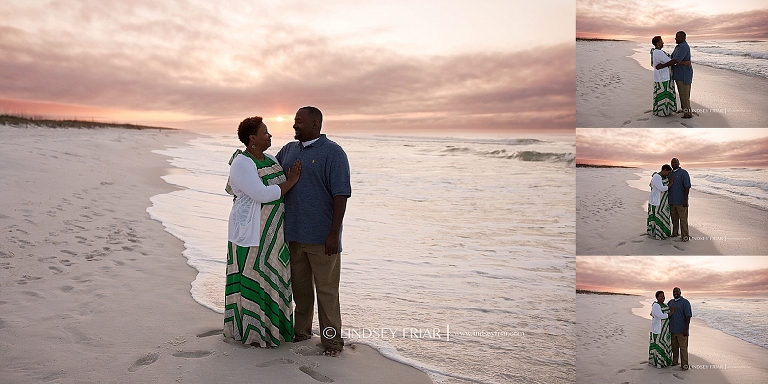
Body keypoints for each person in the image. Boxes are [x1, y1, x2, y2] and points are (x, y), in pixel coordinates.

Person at [276, 106, 351, 357]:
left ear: (315, 124)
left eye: (299, 121)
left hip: (322, 238)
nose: (294, 125)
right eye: (295, 121)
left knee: (327, 292)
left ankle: (332, 343)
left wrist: (334, 233)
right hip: (293, 234)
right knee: (301, 291)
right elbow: (269, 176)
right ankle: (302, 332)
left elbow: (341, 195)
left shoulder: (333, 153)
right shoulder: (288, 150)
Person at [223, 116, 302, 348]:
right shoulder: (242, 162)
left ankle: (274, 330)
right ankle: (253, 333)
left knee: (273, 278)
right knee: (253, 277)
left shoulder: (270, 159)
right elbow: (262, 194)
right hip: (251, 233)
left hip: (274, 233)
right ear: (252, 139)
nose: (270, 136)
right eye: (265, 132)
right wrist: (292, 181)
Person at [656, 31, 694, 119]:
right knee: (681, 93)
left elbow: (676, 60)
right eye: (675, 37)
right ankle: (684, 109)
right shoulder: (678, 47)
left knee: (684, 94)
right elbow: (672, 58)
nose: (675, 38)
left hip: (684, 74)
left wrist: (663, 66)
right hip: (679, 73)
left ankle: (688, 113)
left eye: (677, 37)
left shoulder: (684, 47)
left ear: (683, 38)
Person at [667, 287, 693, 370]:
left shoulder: (685, 302)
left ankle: (684, 365)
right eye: (674, 292)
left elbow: (688, 316)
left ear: (680, 292)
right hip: (672, 329)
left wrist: (686, 329)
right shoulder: (670, 302)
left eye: (677, 291)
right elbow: (666, 313)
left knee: (683, 349)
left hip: (682, 330)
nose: (675, 293)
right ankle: (674, 362)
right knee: (674, 348)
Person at [650, 290, 675, 368]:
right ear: (657, 297)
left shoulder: (664, 304)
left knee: (665, 344)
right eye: (661, 296)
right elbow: (661, 316)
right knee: (659, 343)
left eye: (663, 296)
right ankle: (658, 362)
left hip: (665, 329)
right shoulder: (656, 305)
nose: (663, 297)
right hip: (658, 329)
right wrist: (671, 312)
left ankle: (665, 361)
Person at [647, 164, 674, 239]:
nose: (668, 174)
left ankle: (663, 233)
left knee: (663, 215)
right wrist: (670, 183)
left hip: (662, 201)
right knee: (658, 215)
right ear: (664, 170)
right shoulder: (657, 177)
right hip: (657, 200)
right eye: (668, 172)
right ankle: (658, 233)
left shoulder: (662, 176)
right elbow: (661, 188)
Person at [668, 158, 691, 241]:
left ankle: (685, 236)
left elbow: (687, 186)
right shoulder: (670, 174)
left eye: (675, 162)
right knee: (674, 219)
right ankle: (675, 233)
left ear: (679, 163)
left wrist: (685, 199)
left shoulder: (684, 173)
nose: (673, 163)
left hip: (681, 201)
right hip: (671, 201)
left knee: (683, 219)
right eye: (672, 162)